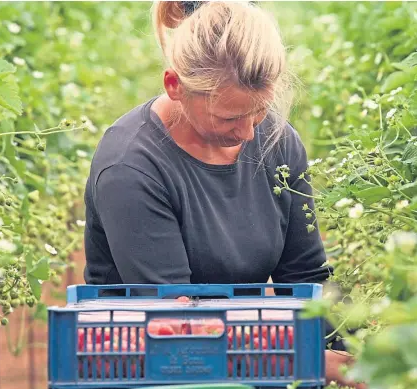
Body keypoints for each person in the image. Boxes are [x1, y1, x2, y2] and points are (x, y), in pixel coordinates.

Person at [82, 1, 366, 388]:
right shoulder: (131, 169)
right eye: (229, 118)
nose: (249, 132)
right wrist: (314, 358)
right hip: (149, 364)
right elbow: (175, 324)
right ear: (175, 86)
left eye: (259, 111)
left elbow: (304, 275)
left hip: (251, 355)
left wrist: (364, 354)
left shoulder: (278, 143)